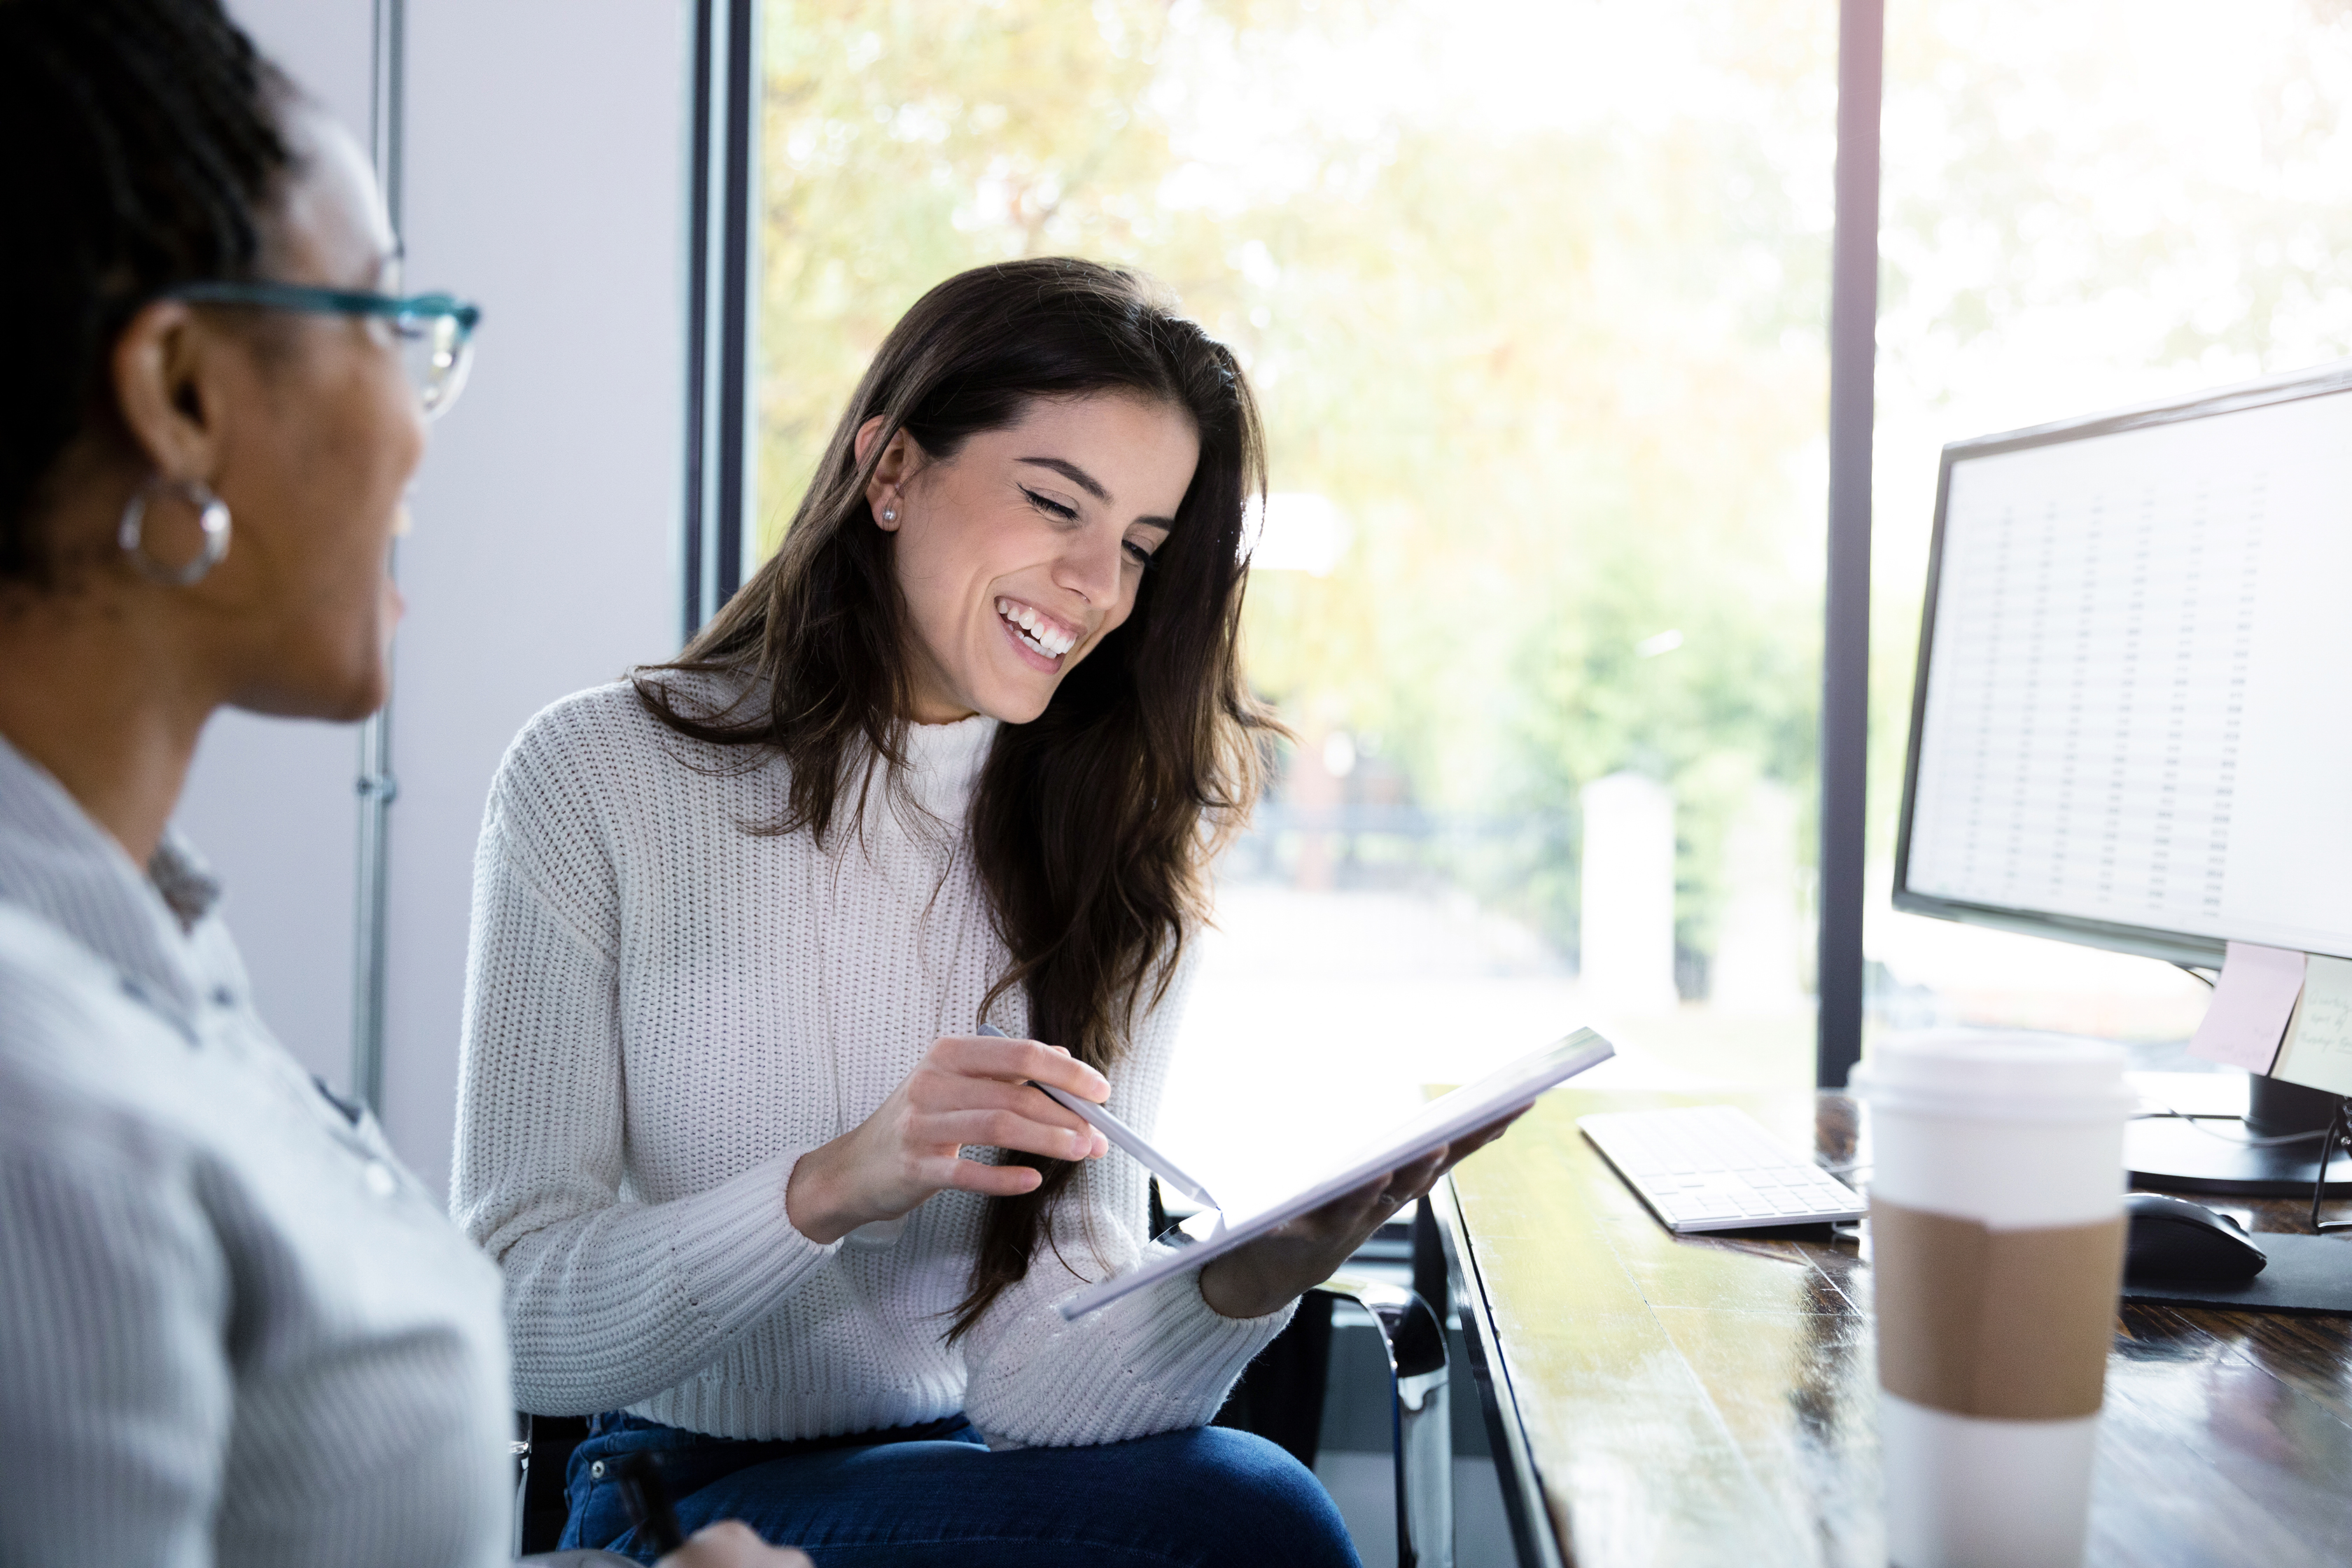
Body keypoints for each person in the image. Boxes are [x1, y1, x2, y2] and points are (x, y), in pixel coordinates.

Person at [453, 256, 1517, 1564]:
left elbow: (1030, 1383)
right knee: (1256, 1523)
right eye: (1055, 505)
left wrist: (1250, 1280)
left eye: (1138, 547)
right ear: (890, 473)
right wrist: (842, 1181)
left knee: (1248, 1505)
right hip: (674, 1489)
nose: (1096, 587)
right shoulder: (596, 778)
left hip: (974, 1470)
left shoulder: (1123, 833)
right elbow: (510, 1304)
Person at [0, 3, 805, 1564]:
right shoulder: (42, 1105)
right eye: (386, 324)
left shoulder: (149, 941)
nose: (424, 440)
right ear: (179, 394)